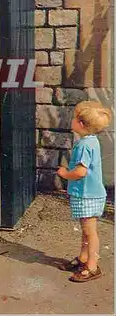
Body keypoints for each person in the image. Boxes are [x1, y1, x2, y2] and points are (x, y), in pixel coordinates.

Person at [56, 100, 112, 282]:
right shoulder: (91, 141)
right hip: (90, 194)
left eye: (74, 118)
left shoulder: (83, 145)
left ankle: (92, 267)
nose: (71, 121)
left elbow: (81, 172)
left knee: (90, 232)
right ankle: (83, 258)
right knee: (87, 230)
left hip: (87, 194)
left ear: (80, 124)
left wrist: (65, 174)